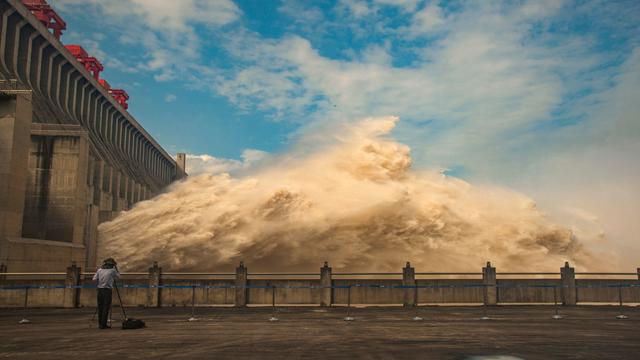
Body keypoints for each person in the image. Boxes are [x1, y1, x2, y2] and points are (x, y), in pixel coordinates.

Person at [92, 258, 120, 329]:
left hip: (100, 290)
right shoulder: (112, 270)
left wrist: (100, 282)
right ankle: (103, 324)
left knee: (100, 307)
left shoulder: (99, 270)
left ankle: (100, 324)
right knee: (106, 307)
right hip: (107, 290)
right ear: (112, 265)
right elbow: (119, 277)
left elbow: (94, 279)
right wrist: (116, 269)